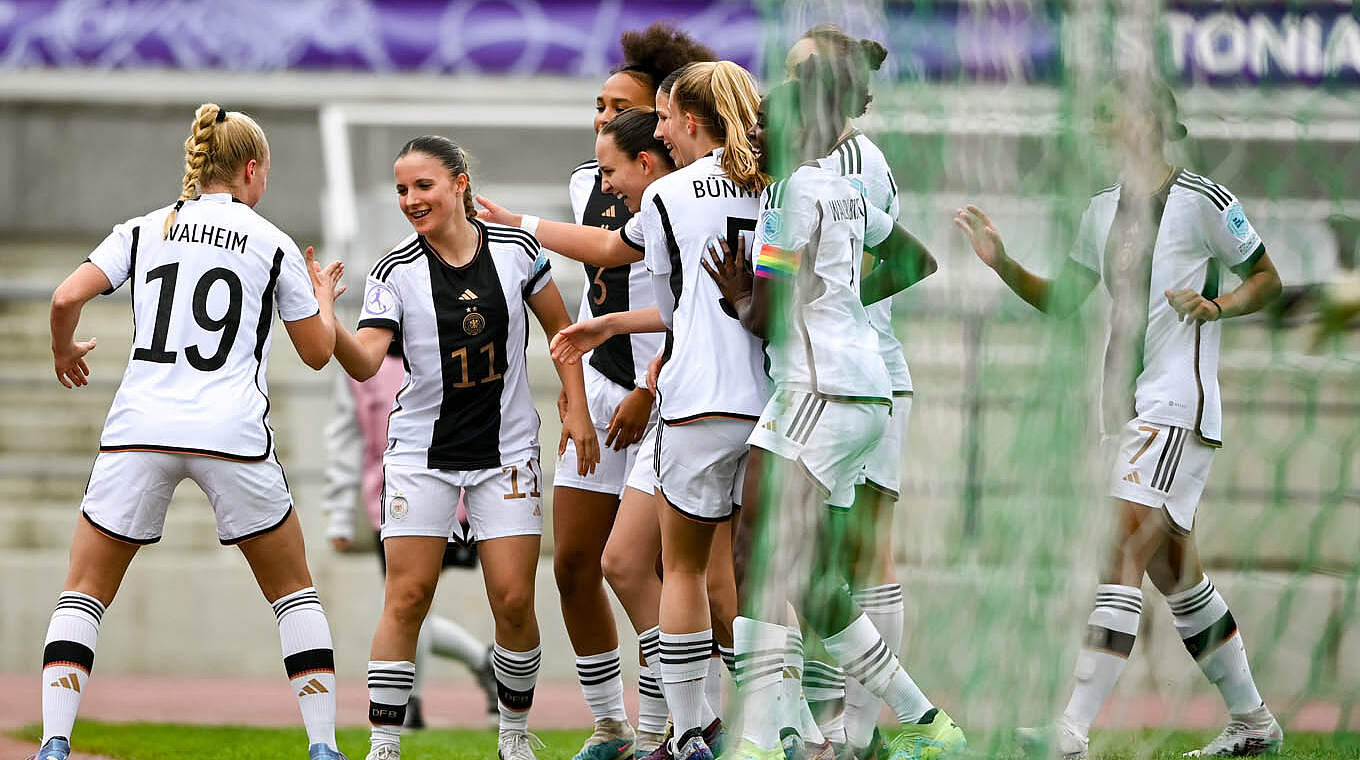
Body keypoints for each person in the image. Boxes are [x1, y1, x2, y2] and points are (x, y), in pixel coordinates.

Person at [954, 76, 1283, 759]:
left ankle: (1069, 730)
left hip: (1176, 408)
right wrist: (1003, 262)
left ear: (1154, 122)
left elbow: (1267, 280)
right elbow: (1062, 300)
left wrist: (1217, 307)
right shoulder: (1100, 211)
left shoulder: (1204, 202)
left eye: (1120, 113)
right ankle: (1253, 724)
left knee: (1119, 547)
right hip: (1125, 416)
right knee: (1175, 576)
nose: (1108, 125)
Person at [38, 103, 346, 760]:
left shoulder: (148, 227)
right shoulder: (272, 241)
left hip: (139, 429)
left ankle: (55, 740)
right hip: (230, 432)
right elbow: (319, 353)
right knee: (293, 592)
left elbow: (65, 297)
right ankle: (322, 748)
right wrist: (324, 297)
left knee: (84, 592)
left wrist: (65, 350)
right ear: (251, 170)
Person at [702, 76, 962, 760]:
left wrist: (737, 294)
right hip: (862, 388)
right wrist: (842, 303)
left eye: (765, 121)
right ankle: (927, 724)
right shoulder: (842, 189)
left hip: (817, 390)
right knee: (814, 579)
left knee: (755, 545)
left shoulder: (789, 193)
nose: (754, 131)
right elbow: (915, 258)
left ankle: (759, 736)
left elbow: (763, 316)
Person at [332, 135, 599, 760]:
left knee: (511, 598)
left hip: (506, 454)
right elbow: (367, 362)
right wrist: (327, 317)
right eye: (401, 189)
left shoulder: (518, 251)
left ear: (458, 183)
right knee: (408, 595)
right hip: (419, 457)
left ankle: (512, 738)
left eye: (423, 185)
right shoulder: (392, 272)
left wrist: (577, 411)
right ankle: (384, 746)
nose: (410, 200)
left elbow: (564, 331)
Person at [550, 25, 717, 760]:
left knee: (656, 568)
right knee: (575, 563)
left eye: (617, 106)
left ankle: (676, 724)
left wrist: (649, 385)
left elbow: (701, 307)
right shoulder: (590, 182)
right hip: (604, 382)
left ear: (659, 125)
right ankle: (614, 726)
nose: (599, 118)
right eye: (596, 104)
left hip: (670, 393)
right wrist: (577, 396)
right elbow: (592, 294)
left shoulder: (684, 192)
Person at [320, 339, 498, 727]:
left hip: (449, 499)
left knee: (412, 603)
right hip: (385, 505)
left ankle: (410, 704)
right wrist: (338, 514)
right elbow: (346, 437)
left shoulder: (439, 346)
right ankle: (481, 663)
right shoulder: (359, 363)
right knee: (410, 604)